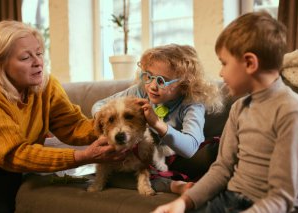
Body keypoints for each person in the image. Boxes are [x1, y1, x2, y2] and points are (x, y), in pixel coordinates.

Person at [153, 11, 298, 213]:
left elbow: (281, 198)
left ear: (250, 63)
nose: (221, 73)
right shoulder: (239, 108)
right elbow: (222, 169)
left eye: (224, 63)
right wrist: (183, 202)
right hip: (232, 198)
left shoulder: (293, 113)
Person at [0, 20, 127, 213]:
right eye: (25, 58)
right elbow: (14, 154)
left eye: (39, 54)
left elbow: (72, 126)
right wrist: (82, 156)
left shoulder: (45, 84)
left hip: (1, 166)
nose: (38, 62)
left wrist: (110, 126)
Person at [91, 44, 223, 192]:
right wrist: (102, 119)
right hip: (150, 158)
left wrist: (156, 123)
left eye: (162, 80)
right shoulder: (141, 91)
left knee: (208, 154)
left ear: (184, 83)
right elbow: (99, 105)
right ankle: (173, 186)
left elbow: (190, 149)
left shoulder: (191, 104)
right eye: (149, 76)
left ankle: (173, 182)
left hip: (181, 158)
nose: (152, 86)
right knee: (119, 169)